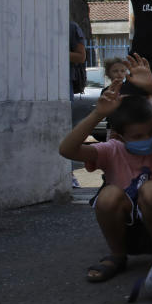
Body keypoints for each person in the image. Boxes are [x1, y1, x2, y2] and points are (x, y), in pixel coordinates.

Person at [59, 83, 152, 282]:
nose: (148, 139)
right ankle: (117, 255)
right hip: (125, 230)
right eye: (138, 136)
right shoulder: (112, 149)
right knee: (107, 195)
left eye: (151, 132)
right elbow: (67, 150)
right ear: (119, 137)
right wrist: (98, 114)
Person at [69, 21, 88, 188]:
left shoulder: (71, 28)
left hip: (63, 84)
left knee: (66, 131)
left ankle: (68, 174)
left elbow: (81, 56)